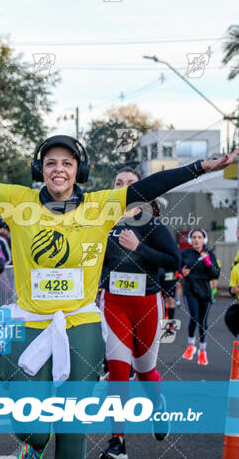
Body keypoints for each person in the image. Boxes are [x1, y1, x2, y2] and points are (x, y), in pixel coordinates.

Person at [0, 135, 238, 459]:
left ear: (78, 171)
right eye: (51, 162)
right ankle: (30, 437)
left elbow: (153, 184)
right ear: (40, 169)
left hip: (80, 323)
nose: (59, 169)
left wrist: (201, 167)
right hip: (29, 321)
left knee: (72, 429)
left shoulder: (101, 206)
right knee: (35, 430)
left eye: (67, 163)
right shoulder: (18, 200)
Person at [98, 168, 180, 459]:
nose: (124, 188)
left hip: (147, 306)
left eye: (130, 183)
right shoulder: (103, 222)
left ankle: (158, 407)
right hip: (113, 304)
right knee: (119, 370)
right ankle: (117, 441)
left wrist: (140, 248)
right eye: (118, 183)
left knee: (145, 371)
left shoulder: (151, 224)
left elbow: (174, 260)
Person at [181, 229, 220, 366]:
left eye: (199, 237)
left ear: (204, 239)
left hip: (204, 291)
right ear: (191, 240)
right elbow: (177, 267)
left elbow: (215, 274)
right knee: (194, 318)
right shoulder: (186, 253)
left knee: (202, 322)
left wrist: (208, 262)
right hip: (190, 289)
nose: (197, 240)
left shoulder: (209, 253)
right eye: (194, 237)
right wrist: (182, 272)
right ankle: (191, 345)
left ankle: (202, 350)